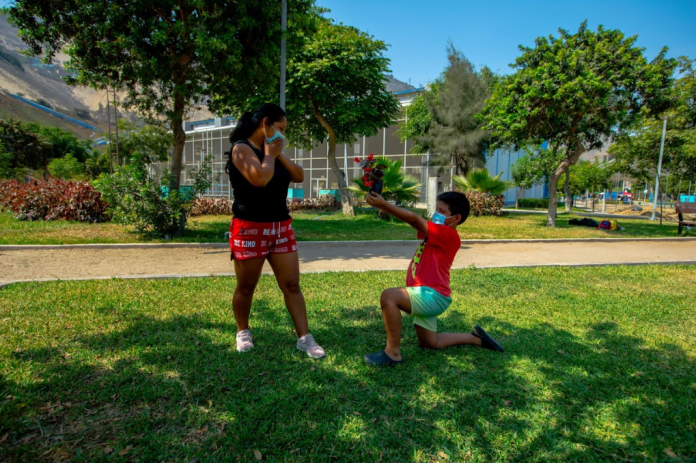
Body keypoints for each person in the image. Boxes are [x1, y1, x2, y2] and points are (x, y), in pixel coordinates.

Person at [225, 103, 325, 359]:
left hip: (280, 226)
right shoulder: (241, 149)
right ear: (265, 123)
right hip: (249, 228)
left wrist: (276, 153)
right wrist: (269, 154)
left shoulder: (273, 150)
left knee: (292, 284)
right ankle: (243, 331)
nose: (282, 134)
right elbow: (259, 178)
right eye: (279, 128)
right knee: (246, 286)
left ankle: (304, 338)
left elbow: (299, 176)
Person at [363, 191, 504, 366]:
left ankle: (392, 354)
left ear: (455, 218)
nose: (436, 214)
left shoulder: (449, 235)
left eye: (442, 211)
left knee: (389, 296)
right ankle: (476, 338)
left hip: (432, 295)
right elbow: (416, 224)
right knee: (430, 343)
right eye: (436, 209)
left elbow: (414, 219)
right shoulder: (438, 232)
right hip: (428, 294)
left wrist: (384, 205)